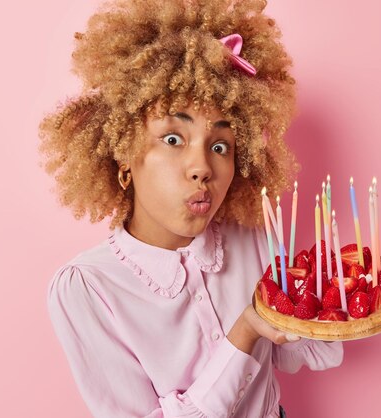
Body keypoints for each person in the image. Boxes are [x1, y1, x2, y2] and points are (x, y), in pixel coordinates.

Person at [39, 0, 343, 416]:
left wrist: (333, 294)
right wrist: (246, 330)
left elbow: (311, 355)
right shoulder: (89, 289)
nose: (203, 167)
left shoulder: (252, 236)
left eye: (220, 146)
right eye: (172, 139)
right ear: (124, 156)